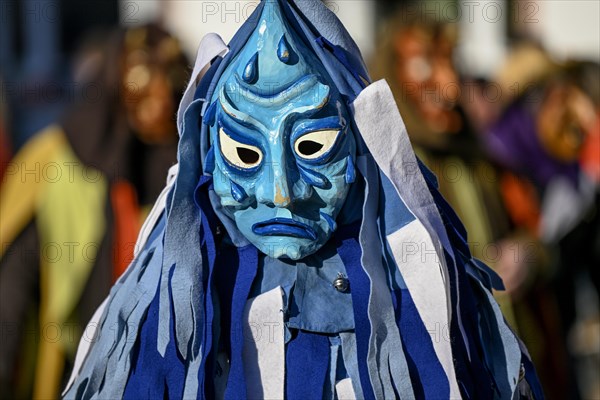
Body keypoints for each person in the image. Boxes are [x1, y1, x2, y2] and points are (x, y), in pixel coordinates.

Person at [64, 1, 542, 398]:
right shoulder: (171, 301)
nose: (281, 193)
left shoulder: (423, 289)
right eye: (245, 152)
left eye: (311, 147)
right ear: (209, 150)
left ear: (359, 140)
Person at [0, 24, 188, 399]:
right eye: (141, 93)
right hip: (71, 376)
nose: (153, 109)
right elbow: (11, 294)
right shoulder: (51, 164)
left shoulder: (191, 171)